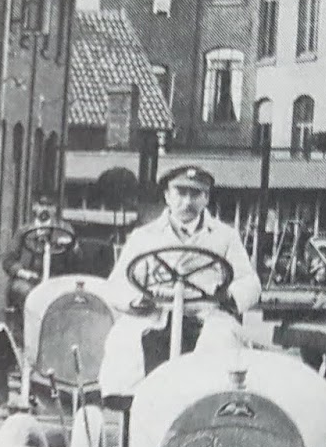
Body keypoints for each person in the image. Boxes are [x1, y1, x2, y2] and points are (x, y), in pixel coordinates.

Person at [100, 165, 261, 403]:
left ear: (206, 198)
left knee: (223, 339)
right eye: (180, 193)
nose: (187, 202)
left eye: (195, 194)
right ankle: (130, 403)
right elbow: (117, 284)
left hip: (204, 312)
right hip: (156, 312)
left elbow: (249, 281)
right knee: (124, 338)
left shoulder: (224, 236)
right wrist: (137, 299)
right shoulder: (145, 235)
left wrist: (229, 297)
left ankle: (206, 403)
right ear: (167, 195)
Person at [0, 196, 76, 321]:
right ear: (34, 207)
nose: (45, 209)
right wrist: (23, 273)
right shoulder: (23, 231)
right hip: (28, 280)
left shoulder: (64, 230)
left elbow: (77, 261)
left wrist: (71, 247)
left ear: (55, 209)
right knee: (26, 292)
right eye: (41, 205)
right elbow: (8, 260)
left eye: (49, 206)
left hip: (55, 280)